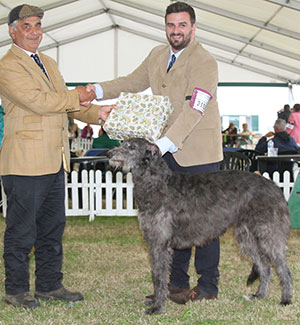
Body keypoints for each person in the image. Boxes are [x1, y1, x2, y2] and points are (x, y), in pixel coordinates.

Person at [90, 1, 222, 304]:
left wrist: (162, 144)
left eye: (182, 25)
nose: (175, 31)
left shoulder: (204, 62)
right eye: (170, 25)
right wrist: (97, 90)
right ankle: (176, 284)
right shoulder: (157, 55)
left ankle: (208, 286)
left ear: (193, 27)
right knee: (171, 220)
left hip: (198, 152)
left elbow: (194, 109)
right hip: (166, 153)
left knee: (203, 221)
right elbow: (131, 82)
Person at [0, 4, 114, 309]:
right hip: (23, 162)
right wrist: (77, 95)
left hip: (54, 160)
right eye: (27, 26)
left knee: (52, 229)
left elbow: (65, 104)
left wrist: (98, 114)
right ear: (12, 30)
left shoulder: (48, 62)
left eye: (38, 25)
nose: (35, 31)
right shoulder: (7, 66)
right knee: (21, 231)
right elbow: (39, 102)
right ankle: (16, 289)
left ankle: (49, 285)